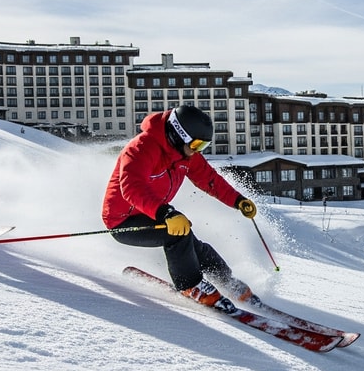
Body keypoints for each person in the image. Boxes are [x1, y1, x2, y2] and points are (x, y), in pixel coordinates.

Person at [102, 104, 257, 308]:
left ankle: (226, 281)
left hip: (154, 213)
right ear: (178, 135)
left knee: (194, 244)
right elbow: (132, 187)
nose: (197, 152)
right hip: (124, 220)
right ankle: (191, 285)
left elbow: (209, 179)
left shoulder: (185, 154)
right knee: (177, 234)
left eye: (202, 147)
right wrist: (165, 212)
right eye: (196, 145)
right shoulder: (141, 148)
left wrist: (238, 200)